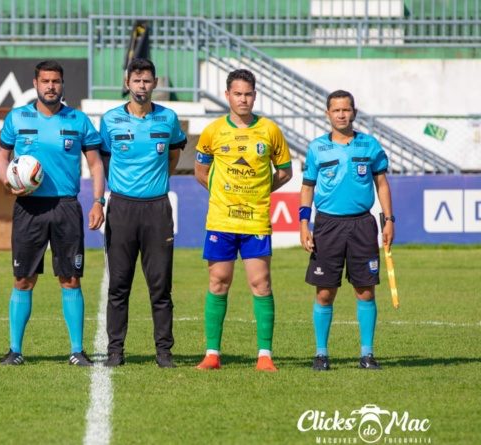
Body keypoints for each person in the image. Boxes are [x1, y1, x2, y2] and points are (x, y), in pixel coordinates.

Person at [0, 60, 105, 366]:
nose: (51, 86)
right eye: (45, 81)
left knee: (70, 278)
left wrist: (98, 201)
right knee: (23, 279)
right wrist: (7, 182)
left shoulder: (78, 120)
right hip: (29, 207)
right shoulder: (17, 118)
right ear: (35, 83)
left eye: (56, 81)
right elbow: (1, 156)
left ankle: (77, 350)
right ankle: (15, 350)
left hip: (65, 206)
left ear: (62, 84)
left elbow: (96, 164)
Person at [193, 69, 292, 372]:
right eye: (238, 94)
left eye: (248, 94)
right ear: (227, 96)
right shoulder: (212, 131)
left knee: (260, 284)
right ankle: (212, 354)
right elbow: (200, 170)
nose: (243, 99)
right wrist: (223, 194)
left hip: (255, 221)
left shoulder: (270, 130)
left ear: (254, 95)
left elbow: (285, 171)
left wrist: (260, 191)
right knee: (218, 282)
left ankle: (265, 355)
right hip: (221, 220)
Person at [98, 58, 187, 368]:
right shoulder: (110, 120)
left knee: (160, 285)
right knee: (119, 284)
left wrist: (156, 181)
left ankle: (164, 352)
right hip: (122, 208)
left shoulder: (168, 118)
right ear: (127, 83)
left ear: (155, 83)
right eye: (136, 81)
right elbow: (104, 159)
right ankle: (115, 351)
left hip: (157, 209)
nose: (142, 86)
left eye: (147, 81)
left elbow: (175, 154)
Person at [300, 90, 394, 371]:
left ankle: (367, 355)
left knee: (365, 291)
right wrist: (304, 224)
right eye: (336, 110)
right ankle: (321, 354)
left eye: (346, 110)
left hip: (362, 225)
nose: (342, 115)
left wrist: (388, 220)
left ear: (354, 112)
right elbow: (307, 188)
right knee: (324, 293)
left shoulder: (369, 145)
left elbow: (383, 184)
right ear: (328, 114)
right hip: (327, 225)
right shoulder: (317, 148)